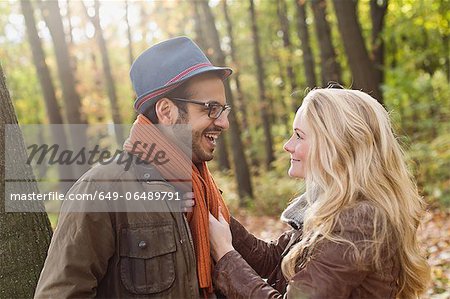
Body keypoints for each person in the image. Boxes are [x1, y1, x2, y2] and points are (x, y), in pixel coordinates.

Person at [35, 36, 233, 298]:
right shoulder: (101, 190)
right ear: (166, 111)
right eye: (211, 109)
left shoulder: (203, 187)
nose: (223, 123)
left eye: (223, 109)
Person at [209, 88, 431, 298]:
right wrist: (213, 208)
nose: (288, 145)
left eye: (299, 135)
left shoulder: (360, 220)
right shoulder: (333, 206)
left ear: (335, 145)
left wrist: (224, 253)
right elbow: (273, 259)